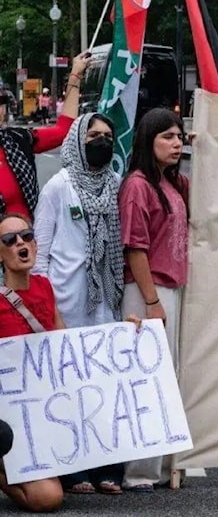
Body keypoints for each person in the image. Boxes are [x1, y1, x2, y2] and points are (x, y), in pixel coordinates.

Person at [33, 113, 125, 495]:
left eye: (107, 136)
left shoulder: (115, 183)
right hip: (67, 302)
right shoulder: (59, 185)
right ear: (77, 140)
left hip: (105, 303)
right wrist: (43, 306)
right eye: (93, 135)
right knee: (68, 390)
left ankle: (108, 468)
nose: (101, 141)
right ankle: (72, 471)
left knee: (103, 386)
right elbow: (40, 252)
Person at [118, 108, 190, 492]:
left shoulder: (174, 184)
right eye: (167, 137)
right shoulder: (138, 186)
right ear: (148, 141)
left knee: (168, 380)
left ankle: (162, 467)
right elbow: (135, 247)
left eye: (179, 136)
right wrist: (150, 301)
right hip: (148, 291)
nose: (177, 143)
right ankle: (139, 473)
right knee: (146, 381)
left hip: (171, 290)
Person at [0, 213, 66, 511]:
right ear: (0, 254)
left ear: (36, 246)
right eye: (9, 240)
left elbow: (68, 347)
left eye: (26, 237)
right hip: (7, 417)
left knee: (49, 498)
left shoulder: (45, 288)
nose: (20, 244)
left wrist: (128, 333)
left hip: (41, 417)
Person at [0, 53, 84, 219]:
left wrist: (75, 76)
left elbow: (63, 130)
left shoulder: (18, 139)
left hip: (24, 239)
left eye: (1, 103)